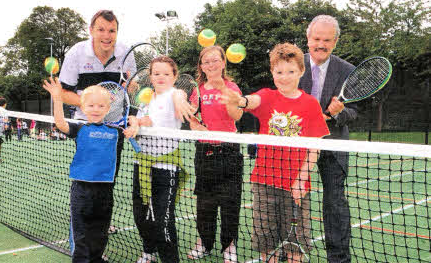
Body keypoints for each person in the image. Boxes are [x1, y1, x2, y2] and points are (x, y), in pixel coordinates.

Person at [221, 43, 330, 263]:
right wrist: (240, 101)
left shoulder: (310, 104)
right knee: (266, 244)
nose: (284, 77)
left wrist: (301, 180)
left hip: (297, 187)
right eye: (279, 72)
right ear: (272, 73)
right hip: (264, 184)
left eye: (290, 71)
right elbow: (253, 100)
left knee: (295, 247)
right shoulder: (268, 96)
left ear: (301, 71)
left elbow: (314, 147)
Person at [43, 77, 138, 263]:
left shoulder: (116, 131)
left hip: (105, 190)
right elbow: (61, 124)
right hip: (82, 189)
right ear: (83, 108)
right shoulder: (80, 128)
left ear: (108, 109)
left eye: (101, 106)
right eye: (91, 106)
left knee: (101, 231)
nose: (96, 109)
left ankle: (96, 259)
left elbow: (133, 121)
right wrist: (58, 98)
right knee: (81, 233)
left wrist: (133, 125)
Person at [298, 15, 357, 263]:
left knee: (334, 203)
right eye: (316, 39)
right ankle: (292, 252)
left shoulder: (348, 71)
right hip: (298, 144)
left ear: (335, 42)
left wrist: (338, 113)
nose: (321, 44)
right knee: (292, 198)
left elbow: (355, 112)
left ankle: (339, 258)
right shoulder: (293, 64)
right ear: (308, 38)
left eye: (327, 40)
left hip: (332, 146)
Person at [132, 56, 194, 263]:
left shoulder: (174, 94)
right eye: (156, 73)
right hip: (141, 166)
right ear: (150, 77)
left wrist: (179, 97)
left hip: (166, 170)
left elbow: (179, 95)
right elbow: (140, 125)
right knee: (141, 216)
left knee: (163, 221)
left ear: (174, 76)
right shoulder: (145, 100)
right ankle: (149, 251)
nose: (161, 77)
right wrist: (135, 124)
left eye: (166, 73)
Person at [187, 45, 244, 263]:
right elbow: (193, 120)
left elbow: (236, 116)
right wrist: (198, 128)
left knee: (230, 202)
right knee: (205, 202)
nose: (211, 65)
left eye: (215, 60)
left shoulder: (232, 87)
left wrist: (226, 94)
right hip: (204, 152)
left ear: (222, 62)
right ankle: (204, 242)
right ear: (201, 66)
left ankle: (229, 245)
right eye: (206, 61)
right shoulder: (198, 90)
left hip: (229, 151)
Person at [59, 9, 136, 120]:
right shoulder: (75, 53)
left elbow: (133, 87)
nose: (106, 36)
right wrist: (94, 103)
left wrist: (132, 87)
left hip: (116, 123)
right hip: (84, 122)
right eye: (101, 30)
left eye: (112, 31)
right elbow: (63, 93)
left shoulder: (127, 52)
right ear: (91, 30)